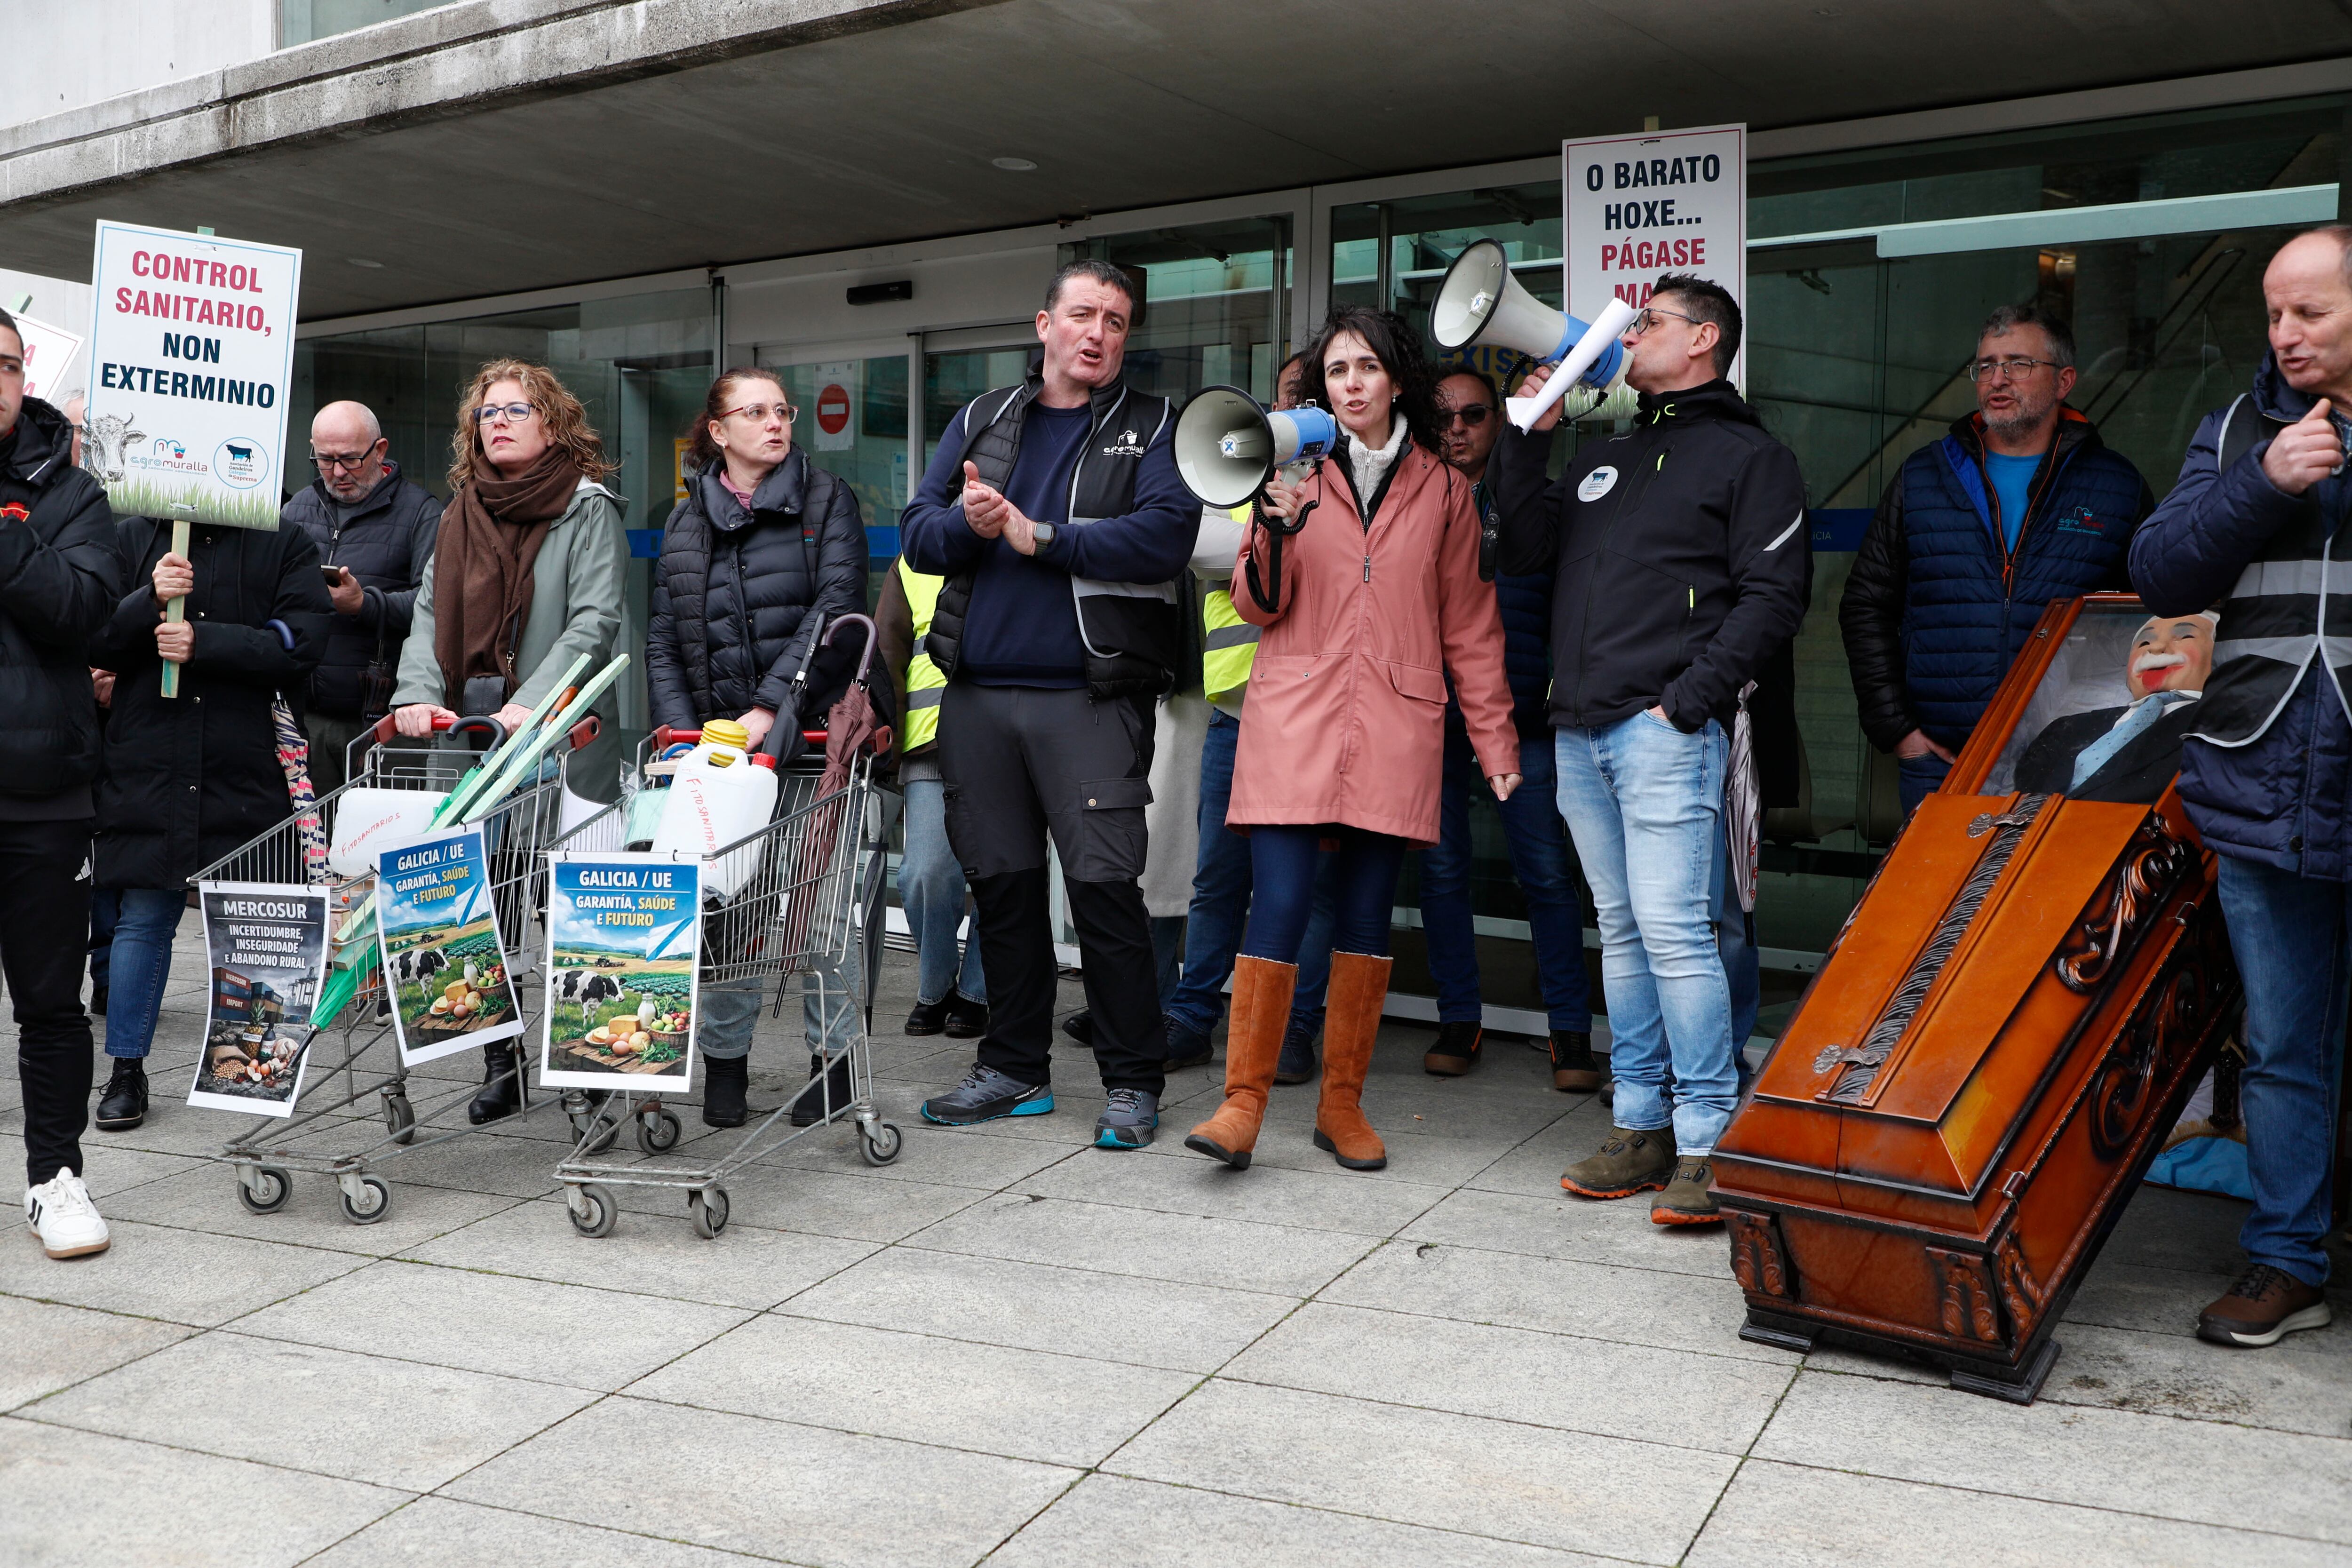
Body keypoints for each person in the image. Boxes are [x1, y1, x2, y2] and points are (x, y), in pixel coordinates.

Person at [1495, 273, 1808, 1226]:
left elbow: (1772, 595)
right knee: (1626, 934)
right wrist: (1525, 438)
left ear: (1704, 338)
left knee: (1676, 937)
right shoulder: (1609, 453)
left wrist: (1688, 702)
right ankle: (1641, 1123)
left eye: (1651, 323)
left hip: (1660, 729)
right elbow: (1523, 551)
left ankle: (1707, 1135)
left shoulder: (1750, 457)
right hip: (1582, 730)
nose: (1629, 336)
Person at [1186, 305, 1516, 1174]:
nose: (1352, 385)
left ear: (1397, 379)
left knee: (1368, 916)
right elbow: (1257, 604)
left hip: (1397, 724)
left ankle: (1342, 1106)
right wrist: (1277, 528)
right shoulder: (1290, 467)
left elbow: (1471, 629)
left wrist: (1497, 743)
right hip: (1295, 715)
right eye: (1337, 372)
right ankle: (1242, 1103)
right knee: (1282, 904)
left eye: (1366, 368)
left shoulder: (1446, 491)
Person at [899, 261, 1196, 1150]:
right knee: (1005, 893)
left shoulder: (1155, 427)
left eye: (1114, 319)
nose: (1098, 332)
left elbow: (1164, 538)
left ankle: (1134, 1080)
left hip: (1092, 700)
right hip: (982, 698)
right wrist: (970, 527)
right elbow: (918, 529)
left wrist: (1043, 536)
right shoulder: (983, 418)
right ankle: (1013, 1068)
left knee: (1107, 896)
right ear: (1044, 324)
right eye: (1081, 314)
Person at [2127, 223, 2352, 1349]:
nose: (2283, 333)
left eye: (2308, 310)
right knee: (2282, 1041)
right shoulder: (2233, 430)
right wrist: (2262, 483)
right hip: (2263, 774)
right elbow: (2161, 572)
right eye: (2273, 311)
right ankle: (2285, 1260)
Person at [392, 360, 627, 1124]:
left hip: (559, 738)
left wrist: (533, 705)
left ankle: (591, 1064)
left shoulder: (587, 509)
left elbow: (595, 620)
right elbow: (430, 615)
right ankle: (504, 1059)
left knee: (568, 905)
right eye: (487, 412)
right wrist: (417, 699)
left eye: (516, 410)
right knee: (482, 900)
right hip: (472, 739)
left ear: (553, 424)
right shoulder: (462, 512)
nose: (498, 421)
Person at [646, 368, 869, 1128]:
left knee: (820, 907)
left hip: (810, 743)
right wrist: (684, 737)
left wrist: (769, 707)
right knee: (731, 912)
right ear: (718, 430)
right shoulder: (685, 522)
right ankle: (726, 1066)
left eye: (782, 411)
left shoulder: (826, 500)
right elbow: (665, 640)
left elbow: (836, 611)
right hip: (722, 759)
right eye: (755, 412)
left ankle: (833, 1067)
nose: (774, 424)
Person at [88, 441, 331, 1137]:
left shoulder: (283, 540)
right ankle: (126, 1070)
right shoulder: (133, 534)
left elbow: (301, 641)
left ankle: (260, 1065)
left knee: (259, 921)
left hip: (242, 760)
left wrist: (206, 641)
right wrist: (148, 601)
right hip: (151, 758)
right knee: (145, 914)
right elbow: (92, 636)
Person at [1841, 304, 2151, 814]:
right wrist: (1898, 731)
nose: (1997, 379)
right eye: (1985, 366)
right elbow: (1864, 605)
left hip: (2070, 761)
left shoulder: (2115, 485)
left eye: (2018, 364)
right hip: (1941, 764)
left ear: (2063, 380)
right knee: (1932, 897)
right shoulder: (1923, 477)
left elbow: (2148, 616)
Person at [1159, 350, 1340, 1084]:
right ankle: (1193, 1016)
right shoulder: (1237, 475)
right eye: (1286, 397)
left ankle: (1295, 1027)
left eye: (1307, 398)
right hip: (1236, 711)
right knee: (1218, 879)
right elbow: (1196, 545)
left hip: (1313, 717)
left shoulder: (1353, 487)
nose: (1290, 410)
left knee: (1309, 888)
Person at [1418, 365, 1599, 1090]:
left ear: (1501, 421)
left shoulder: (1534, 502)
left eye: (1473, 415)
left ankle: (1570, 1032)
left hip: (1523, 716)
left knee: (1549, 877)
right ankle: (1459, 1017)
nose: (1457, 428)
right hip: (1432, 717)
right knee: (1439, 873)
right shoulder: (1412, 501)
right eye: (1444, 417)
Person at [0, 314, 122, 1258]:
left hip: (41, 792)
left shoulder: (73, 491)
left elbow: (82, 609)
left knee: (50, 1001)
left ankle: (55, 1177)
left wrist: (6, 537)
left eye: (3, 364)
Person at [279, 401, 441, 795]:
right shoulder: (297, 509)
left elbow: (437, 607)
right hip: (306, 719)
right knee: (306, 850)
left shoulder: (423, 513)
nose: (338, 473)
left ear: (380, 450)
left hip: (385, 722)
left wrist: (365, 605)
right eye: (324, 459)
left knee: (379, 845)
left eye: (350, 459)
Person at [877, 553, 987, 1039]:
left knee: (1002, 876)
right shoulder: (914, 558)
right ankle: (936, 987)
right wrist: (890, 745)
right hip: (929, 740)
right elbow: (887, 653)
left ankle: (977, 992)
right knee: (923, 874)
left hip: (1005, 739)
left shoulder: (1023, 537)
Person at [2012, 611, 2214, 802]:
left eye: (2185, 637)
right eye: (2144, 642)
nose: (2155, 647)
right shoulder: (2066, 729)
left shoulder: (2221, 728)